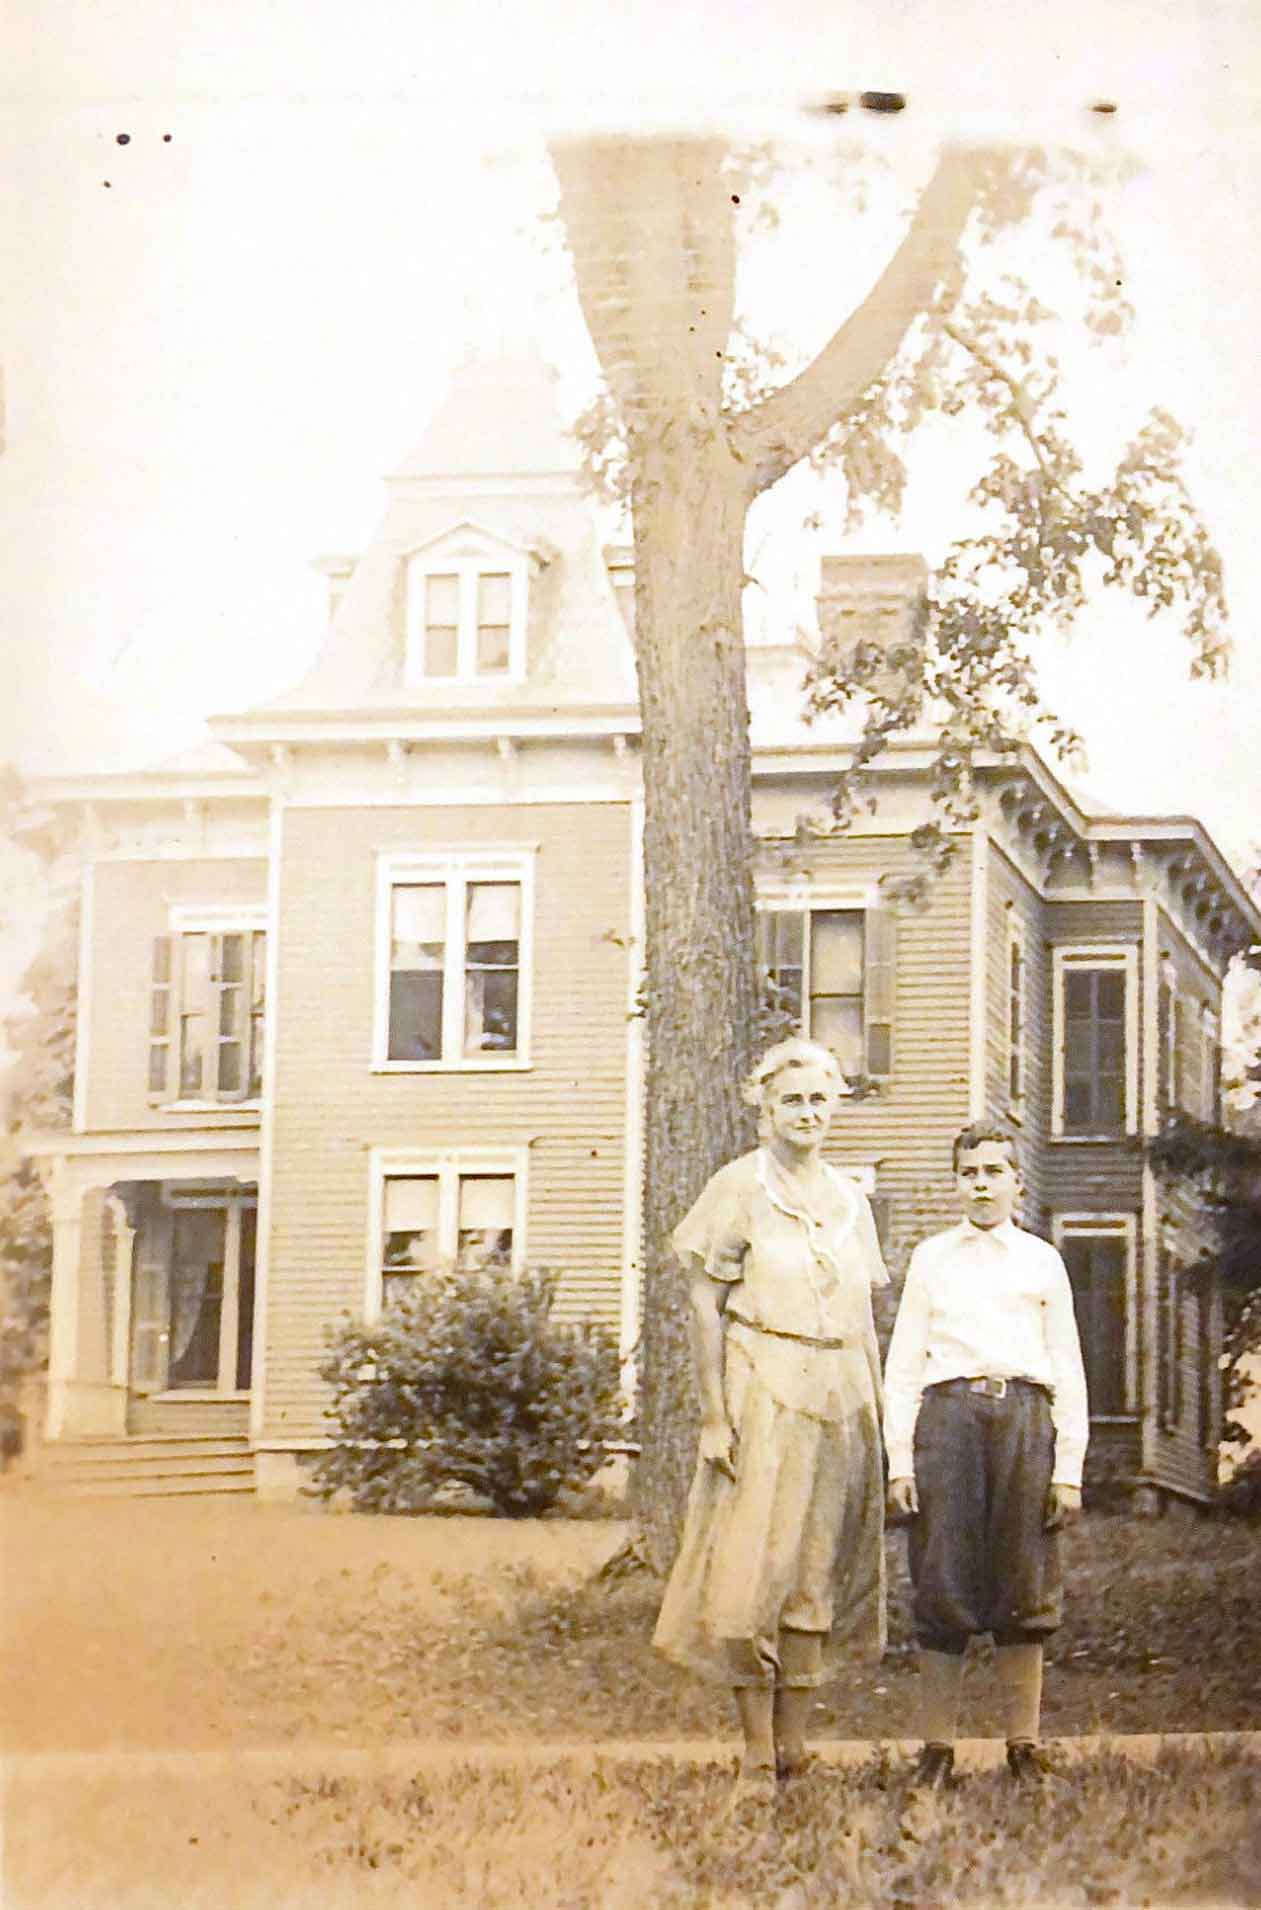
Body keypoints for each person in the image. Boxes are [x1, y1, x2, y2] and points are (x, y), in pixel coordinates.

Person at [653, 1038, 889, 1800]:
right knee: (749, 1569)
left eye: (819, 1099)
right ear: (764, 1107)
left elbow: (863, 1316)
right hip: (762, 1382)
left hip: (840, 1394)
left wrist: (877, 1414)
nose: (806, 1113)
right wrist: (713, 1415)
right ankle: (755, 1755)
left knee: (814, 1566)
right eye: (792, 1100)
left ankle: (794, 1748)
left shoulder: (850, 1200)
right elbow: (703, 1304)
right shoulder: (738, 1187)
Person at [883, 1123, 1090, 1788]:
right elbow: (903, 1365)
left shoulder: (1041, 1261)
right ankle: (936, 1750)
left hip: (1023, 1421)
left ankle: (1022, 1747)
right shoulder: (931, 1259)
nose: (980, 1184)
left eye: (993, 1171)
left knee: (1024, 1578)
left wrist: (1068, 1469)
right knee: (941, 1576)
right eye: (968, 1172)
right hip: (947, 1421)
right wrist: (899, 1461)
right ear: (955, 1183)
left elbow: (1067, 1366)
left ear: (1016, 1182)